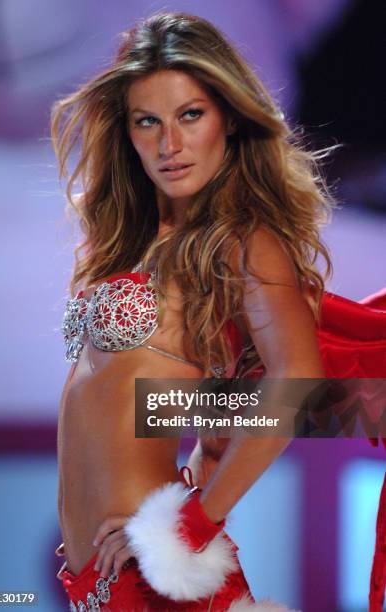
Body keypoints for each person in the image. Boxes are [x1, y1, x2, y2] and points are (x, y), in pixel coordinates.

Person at [51, 11, 386, 612]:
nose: (168, 144)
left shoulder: (244, 238)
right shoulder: (134, 238)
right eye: (146, 121)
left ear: (228, 118)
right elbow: (172, 394)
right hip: (96, 578)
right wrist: (209, 441)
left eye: (190, 115)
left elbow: (295, 383)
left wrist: (191, 525)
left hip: (157, 576)